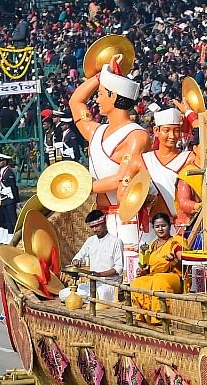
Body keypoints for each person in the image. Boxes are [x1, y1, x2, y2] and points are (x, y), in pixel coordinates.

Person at [71, 62, 149, 268]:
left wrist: (82, 188)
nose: (96, 99)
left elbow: (121, 178)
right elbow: (76, 102)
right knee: (102, 271)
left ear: (114, 97)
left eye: (101, 93)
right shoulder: (96, 132)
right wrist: (99, 77)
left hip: (126, 219)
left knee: (127, 271)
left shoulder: (136, 136)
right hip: (103, 218)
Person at [136, 107, 199, 237]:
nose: (172, 136)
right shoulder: (143, 160)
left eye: (176, 131)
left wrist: (189, 114)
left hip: (182, 228)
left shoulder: (189, 158)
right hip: (153, 229)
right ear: (156, 131)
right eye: (166, 130)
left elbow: (206, 149)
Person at [130, 212, 189, 321]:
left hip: (174, 277)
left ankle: (160, 316)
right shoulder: (152, 245)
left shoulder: (176, 242)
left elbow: (185, 262)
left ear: (169, 226)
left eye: (163, 226)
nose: (160, 229)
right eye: (157, 226)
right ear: (154, 228)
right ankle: (144, 315)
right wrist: (142, 271)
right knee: (137, 282)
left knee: (158, 280)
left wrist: (174, 261)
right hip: (154, 276)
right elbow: (149, 267)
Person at [63, 209, 124, 298]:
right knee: (64, 293)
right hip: (93, 283)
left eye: (97, 226)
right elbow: (79, 256)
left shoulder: (116, 242)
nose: (95, 230)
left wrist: (99, 274)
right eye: (92, 227)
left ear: (104, 223)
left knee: (98, 295)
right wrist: (76, 261)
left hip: (109, 285)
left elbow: (118, 268)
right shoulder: (90, 241)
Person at [0, 152, 20, 245]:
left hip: (10, 199)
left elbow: (13, 187)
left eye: (1, 160)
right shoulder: (1, 171)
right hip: (4, 198)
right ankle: (9, 236)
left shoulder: (9, 172)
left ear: (5, 161)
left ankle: (18, 238)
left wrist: (17, 200)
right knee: (7, 219)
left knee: (13, 219)